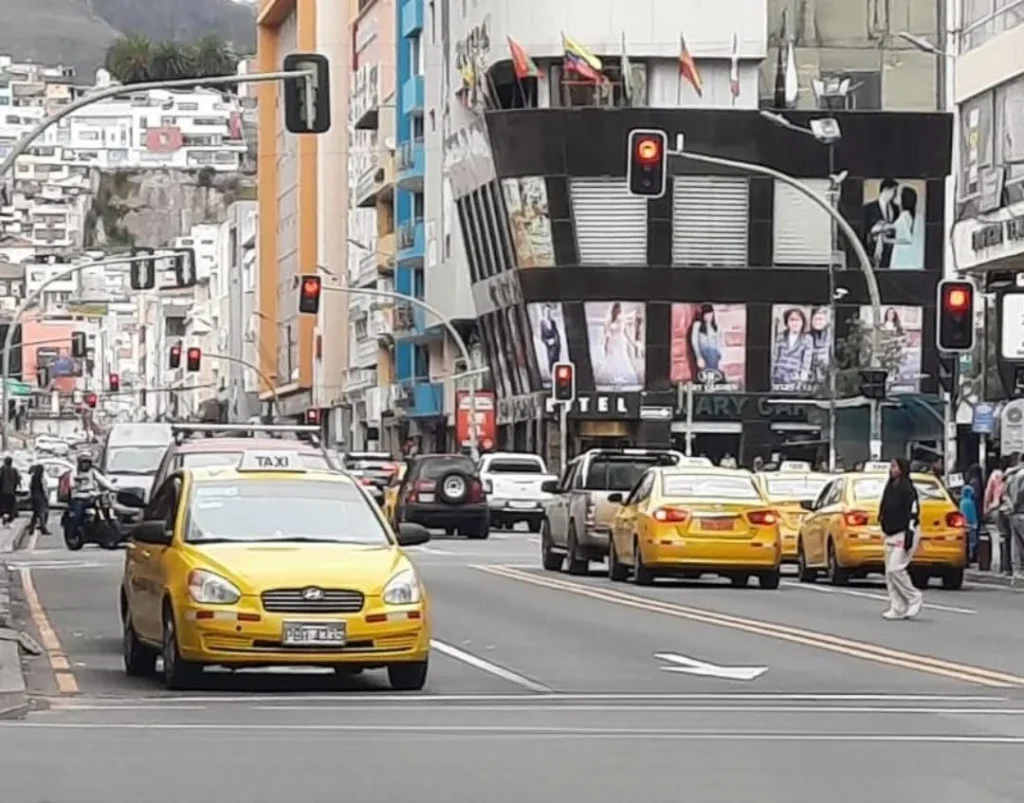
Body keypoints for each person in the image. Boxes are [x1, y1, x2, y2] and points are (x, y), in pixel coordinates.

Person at [878, 457, 923, 620]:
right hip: (890, 533)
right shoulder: (889, 486)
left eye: (894, 466)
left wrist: (909, 535)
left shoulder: (907, 488)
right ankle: (897, 606)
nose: (892, 469)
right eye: (891, 466)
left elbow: (913, 512)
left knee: (895, 568)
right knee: (888, 573)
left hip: (904, 532)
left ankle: (913, 597)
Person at [65, 454, 115, 542]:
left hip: (92, 496)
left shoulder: (93, 471)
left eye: (87, 462)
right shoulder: (75, 472)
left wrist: (113, 488)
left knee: (105, 507)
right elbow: (71, 485)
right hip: (79, 497)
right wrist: (77, 482)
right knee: (78, 515)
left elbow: (102, 480)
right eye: (84, 462)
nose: (85, 465)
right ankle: (72, 535)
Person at [959, 481, 979, 565]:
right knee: (972, 542)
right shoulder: (970, 503)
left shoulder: (962, 502)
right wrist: (975, 524)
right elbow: (972, 515)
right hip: (970, 525)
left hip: (963, 525)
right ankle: (971, 557)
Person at [27, 464, 50, 536]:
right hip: (41, 496)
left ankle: (31, 528)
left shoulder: (33, 477)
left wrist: (30, 496)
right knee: (43, 512)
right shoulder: (41, 478)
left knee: (35, 513)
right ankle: (43, 528)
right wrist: (47, 497)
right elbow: (44, 488)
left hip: (34, 496)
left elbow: (30, 486)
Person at [0, 457, 20, 526]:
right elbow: (17, 480)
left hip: (3, 492)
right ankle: (8, 520)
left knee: (3, 507)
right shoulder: (14, 470)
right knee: (11, 507)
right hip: (11, 492)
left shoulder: (2, 469)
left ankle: (5, 518)